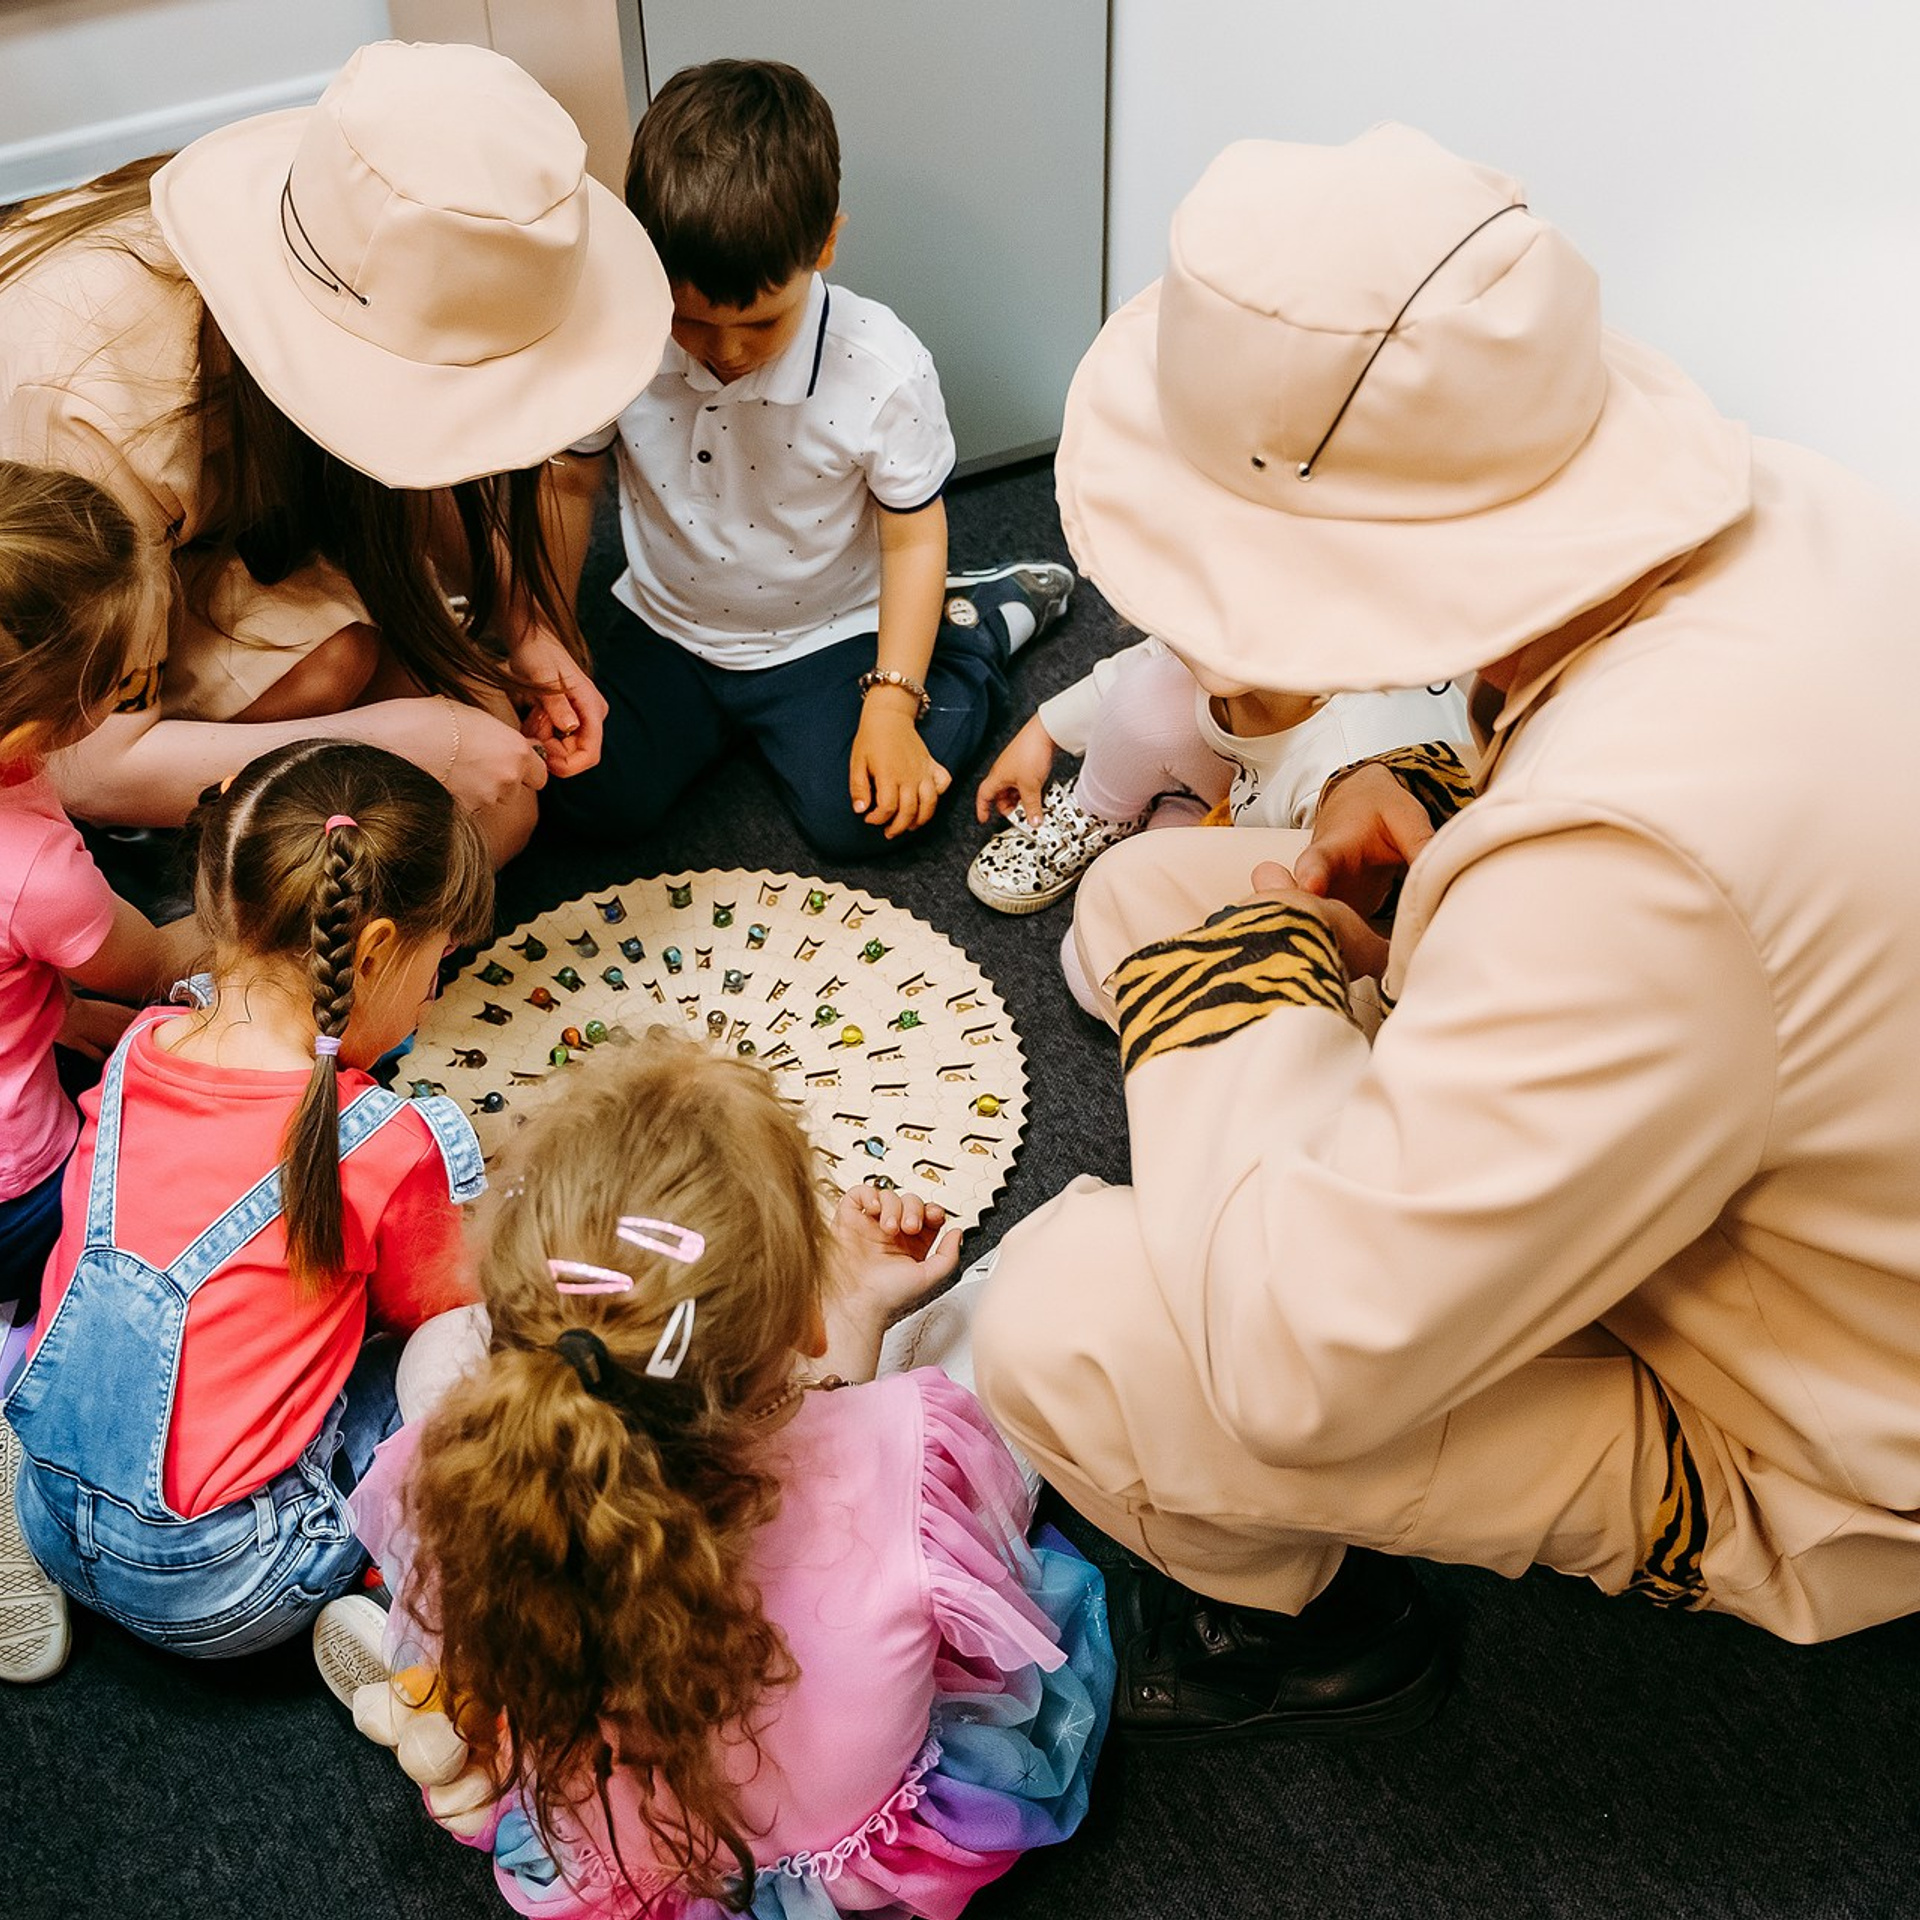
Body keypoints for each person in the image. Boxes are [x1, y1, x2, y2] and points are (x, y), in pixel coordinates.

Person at [969, 123, 1920, 1745]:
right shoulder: (1784, 505)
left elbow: (1300, 1363)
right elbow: (1624, 813)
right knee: (1141, 894)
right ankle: (1258, 1154)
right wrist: (1434, 796)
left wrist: (1267, 968)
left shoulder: (1635, 867)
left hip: (1793, 1429)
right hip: (1741, 1141)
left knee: (1053, 1317)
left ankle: (1304, 1624)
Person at [340, 1034, 1113, 1919]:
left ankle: (425, 1678)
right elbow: (875, 1513)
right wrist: (861, 1309)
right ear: (805, 1327)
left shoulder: (472, 1477)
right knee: (1000, 1318)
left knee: (431, 1362)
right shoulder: (906, 1441)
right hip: (846, 1863)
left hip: (629, 1872)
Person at [0, 40, 672, 865]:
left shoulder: (340, 232)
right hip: (68, 631)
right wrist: (397, 743)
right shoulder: (89, 406)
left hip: (214, 531)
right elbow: (89, 765)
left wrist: (528, 622)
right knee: (365, 704)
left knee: (499, 804)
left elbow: (413, 449)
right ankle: (179, 895)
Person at [1, 739, 493, 1680]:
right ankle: (413, 1621)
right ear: (379, 949)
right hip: (231, 1584)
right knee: (471, 1357)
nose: (437, 988)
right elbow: (427, 1309)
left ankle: (22, 1487)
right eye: (440, 961)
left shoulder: (140, 1046)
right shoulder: (384, 1141)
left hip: (55, 1512)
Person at [542, 59, 1074, 861]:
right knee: (576, 790)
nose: (724, 352)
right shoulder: (616, 336)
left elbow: (913, 536)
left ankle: (975, 628)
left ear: (825, 243)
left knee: (861, 818)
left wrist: (893, 705)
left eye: (759, 324)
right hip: (670, 627)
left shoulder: (883, 370)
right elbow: (569, 480)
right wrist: (553, 636)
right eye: (690, 319)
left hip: (831, 630)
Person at [0, 463, 200, 1317]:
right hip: (16, 1190)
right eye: (127, 683)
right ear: (52, 724)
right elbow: (153, 962)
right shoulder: (41, 874)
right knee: (189, 1185)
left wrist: (49, 1007)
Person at [967, 634, 1469, 924]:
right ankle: (1106, 810)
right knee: (1152, 693)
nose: (1213, 615)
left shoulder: (1348, 761)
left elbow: (1345, 926)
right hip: (1256, 799)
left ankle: (1178, 816)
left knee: (1092, 963)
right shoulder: (1222, 632)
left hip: (1314, 865)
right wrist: (1044, 730)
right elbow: (1155, 654)